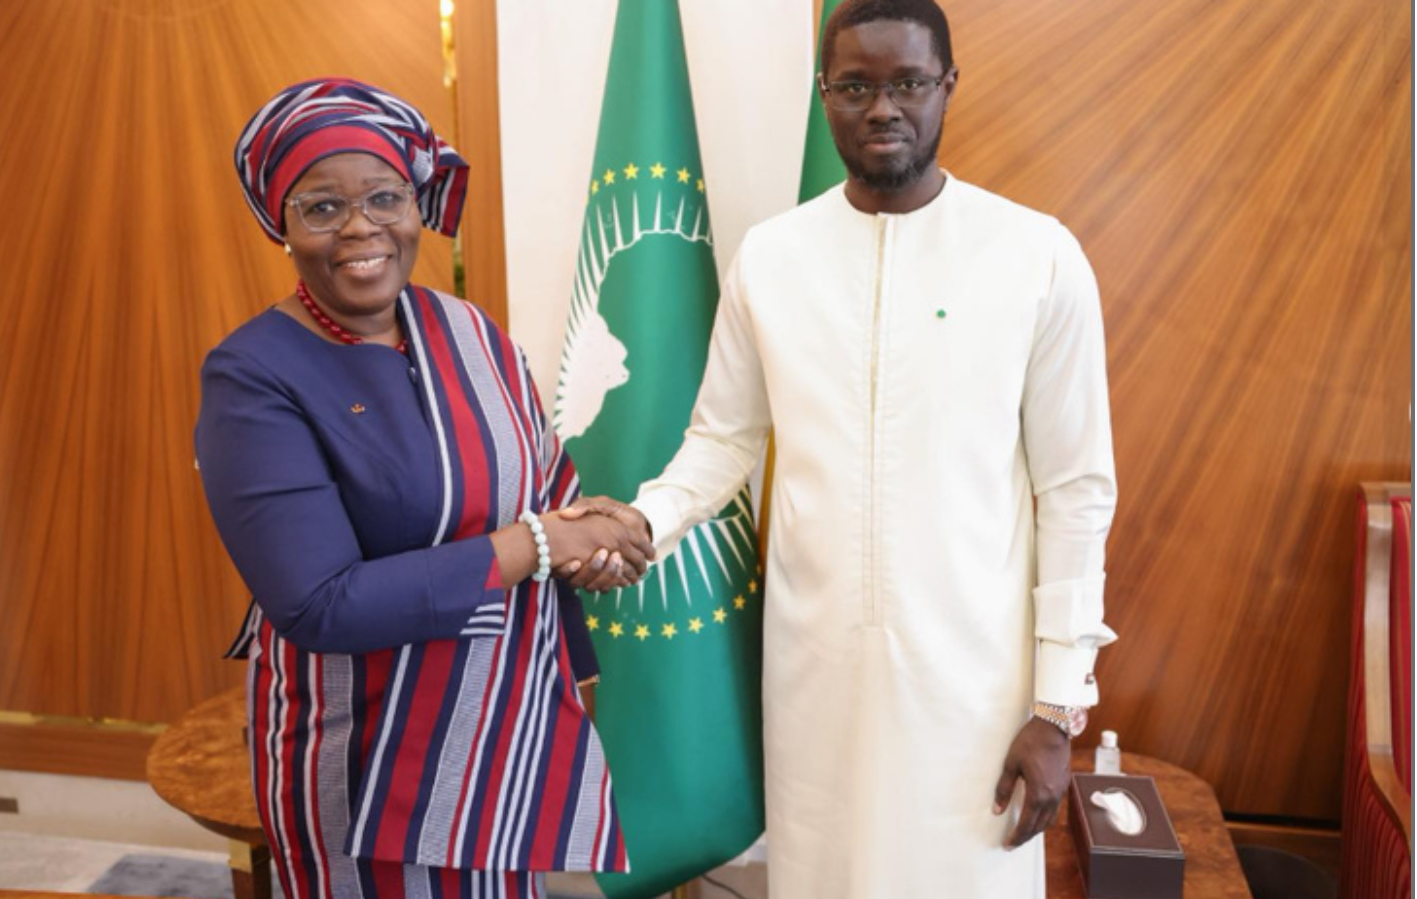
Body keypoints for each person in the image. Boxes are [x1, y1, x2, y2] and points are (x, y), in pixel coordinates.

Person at [563, 1, 1118, 895]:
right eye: (855, 86)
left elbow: (1077, 491)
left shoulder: (1035, 256)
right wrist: (641, 519)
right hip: (813, 672)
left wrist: (1057, 706)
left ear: (947, 87)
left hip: (975, 685)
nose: (882, 108)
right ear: (824, 96)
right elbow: (720, 441)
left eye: (907, 83)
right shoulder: (771, 258)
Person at [197, 78, 651, 899]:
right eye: (321, 207)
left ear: (416, 203)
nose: (361, 228)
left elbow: (550, 492)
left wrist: (597, 546)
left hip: (494, 733)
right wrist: (541, 543)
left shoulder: (472, 331)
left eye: (383, 197)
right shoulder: (253, 376)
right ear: (281, 225)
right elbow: (321, 603)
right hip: (362, 757)